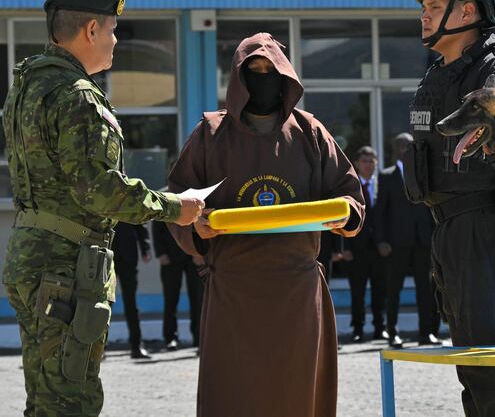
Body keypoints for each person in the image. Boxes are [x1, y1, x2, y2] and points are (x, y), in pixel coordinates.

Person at [2, 0, 203, 416]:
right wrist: (175, 208)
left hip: (30, 256)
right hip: (64, 268)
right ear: (91, 30)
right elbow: (99, 190)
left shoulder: (27, 86)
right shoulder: (78, 96)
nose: (114, 41)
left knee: (46, 397)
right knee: (71, 399)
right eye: (112, 30)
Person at [166, 32, 365, 417]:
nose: (262, 79)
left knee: (295, 394)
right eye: (252, 72)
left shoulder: (309, 132)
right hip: (235, 290)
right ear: (238, 79)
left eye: (269, 71)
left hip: (295, 290)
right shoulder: (211, 134)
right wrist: (196, 227)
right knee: (234, 393)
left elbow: (350, 195)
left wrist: (345, 214)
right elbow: (177, 199)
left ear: (285, 76)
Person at [406, 0, 495, 416]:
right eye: (423, 7)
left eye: (434, 7)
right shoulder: (444, 70)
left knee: (493, 357)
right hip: (450, 227)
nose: (424, 16)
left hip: (485, 224)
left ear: (468, 11)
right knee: (471, 361)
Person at [375, 132, 438, 348]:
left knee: (425, 289)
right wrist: (381, 240)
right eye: (401, 146)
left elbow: (431, 209)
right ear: (394, 150)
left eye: (409, 146)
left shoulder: (423, 174)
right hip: (396, 243)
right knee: (394, 289)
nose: (405, 150)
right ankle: (392, 333)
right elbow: (380, 212)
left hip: (422, 241)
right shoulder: (386, 176)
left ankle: (426, 332)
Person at [344, 146, 388, 343]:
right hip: (357, 249)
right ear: (356, 164)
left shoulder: (384, 184)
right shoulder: (350, 186)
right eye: (364, 161)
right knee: (357, 291)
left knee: (380, 290)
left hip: (379, 249)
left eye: (371, 161)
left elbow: (389, 216)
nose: (368, 165)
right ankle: (358, 328)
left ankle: (381, 327)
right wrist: (343, 248)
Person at [151, 219, 204, 351]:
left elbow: (200, 224)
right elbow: (157, 225)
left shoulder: (195, 198)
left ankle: (198, 338)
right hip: (170, 257)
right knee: (170, 299)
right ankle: (170, 338)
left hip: (193, 257)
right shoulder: (167, 197)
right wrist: (161, 253)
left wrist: (200, 252)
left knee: (198, 299)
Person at [113, 222, 152, 359]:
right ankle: (98, 349)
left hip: (128, 253)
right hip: (106, 253)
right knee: (102, 303)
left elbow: (140, 221)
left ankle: (136, 346)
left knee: (131, 302)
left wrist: (145, 248)